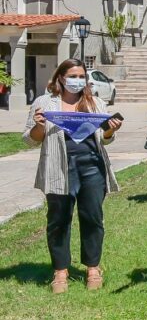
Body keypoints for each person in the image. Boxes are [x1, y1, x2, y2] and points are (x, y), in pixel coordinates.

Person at [24, 59, 123, 293]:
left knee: (92, 218)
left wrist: (111, 129)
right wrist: (39, 125)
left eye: (81, 76)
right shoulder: (45, 103)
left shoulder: (96, 102)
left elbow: (105, 138)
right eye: (72, 76)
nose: (77, 81)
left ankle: (92, 267)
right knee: (58, 220)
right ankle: (60, 270)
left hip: (91, 166)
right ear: (60, 77)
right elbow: (30, 138)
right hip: (58, 166)